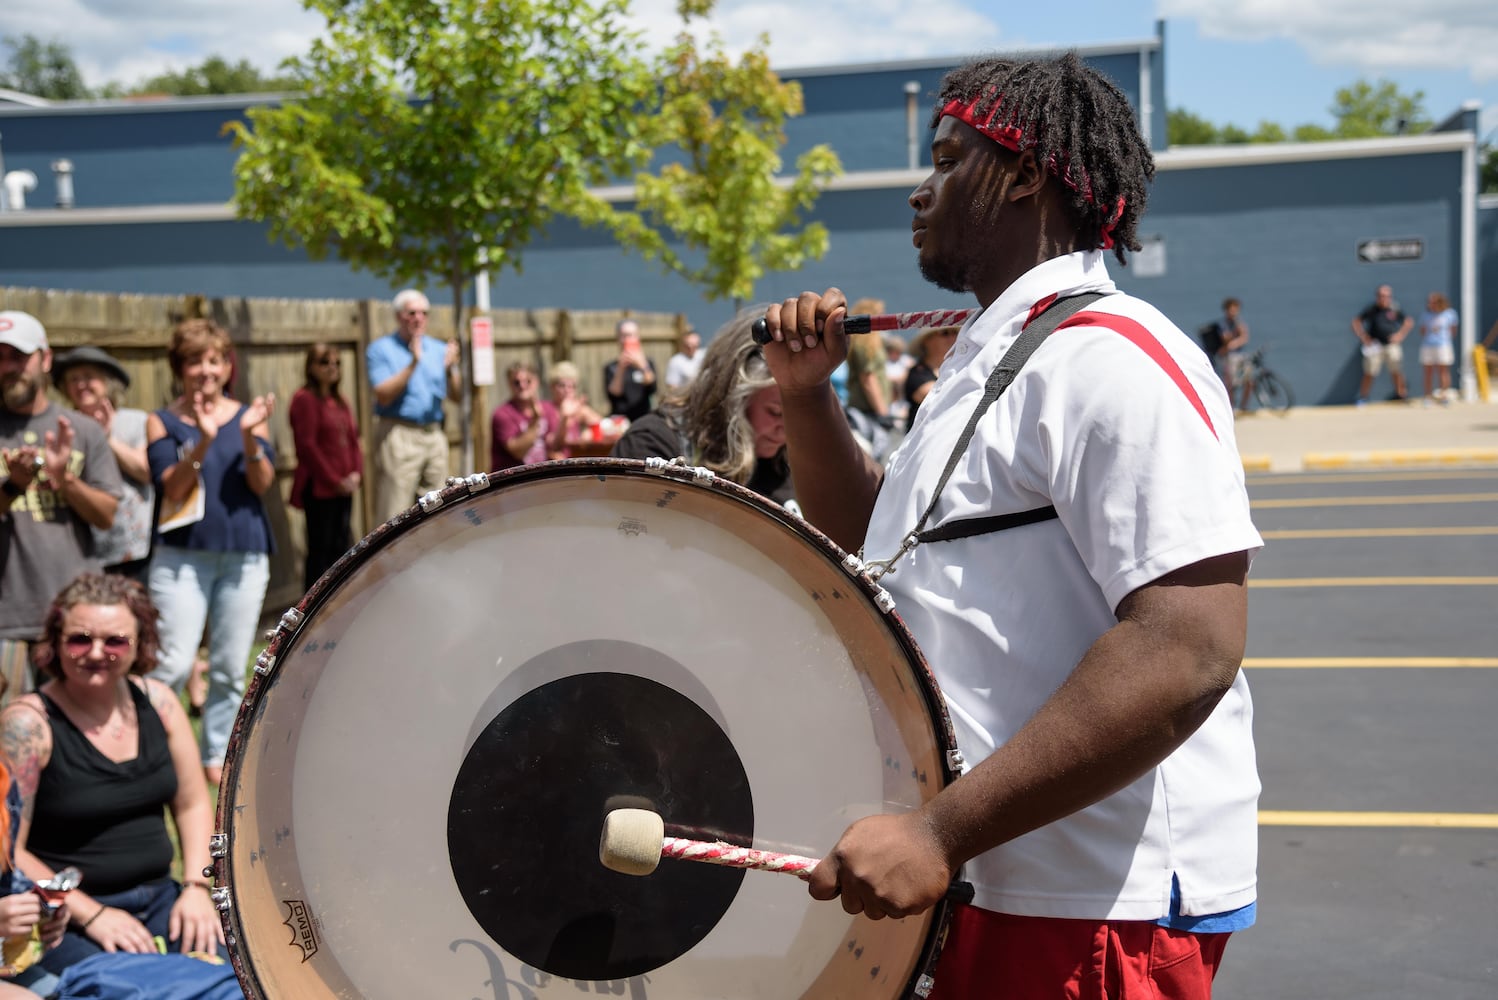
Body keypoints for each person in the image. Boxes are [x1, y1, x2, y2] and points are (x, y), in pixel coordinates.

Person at [759, 52, 1261, 999]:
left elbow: (1186, 648)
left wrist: (940, 831)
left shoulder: (1114, 361)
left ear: (1026, 172)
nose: (920, 190)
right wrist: (809, 400)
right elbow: (885, 553)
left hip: (1092, 907)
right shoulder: (996, 359)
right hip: (999, 875)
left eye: (948, 161)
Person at [0, 573, 223, 980]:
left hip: (163, 898)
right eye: (79, 639)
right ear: (55, 642)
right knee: (133, 989)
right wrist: (94, 914)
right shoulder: (28, 726)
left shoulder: (160, 703)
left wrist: (195, 888)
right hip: (65, 913)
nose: (96, 652)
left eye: (115, 641)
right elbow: (10, 849)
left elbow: (192, 805)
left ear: (139, 644)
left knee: (240, 974)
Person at [146, 319, 275, 787]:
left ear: (227, 366)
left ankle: (216, 755)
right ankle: (155, 752)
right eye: (195, 360)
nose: (206, 369)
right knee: (174, 663)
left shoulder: (249, 415)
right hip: (181, 558)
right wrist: (201, 439)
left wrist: (248, 437)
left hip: (244, 556)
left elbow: (261, 486)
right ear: (180, 368)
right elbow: (171, 487)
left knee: (227, 666)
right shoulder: (161, 421)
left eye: (215, 360)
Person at [1, 311, 123, 709]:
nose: (7, 368)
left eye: (18, 357)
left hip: (77, 617)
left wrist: (65, 480)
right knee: (9, 735)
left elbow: (106, 514)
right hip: (7, 620)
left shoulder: (82, 431)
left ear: (45, 359)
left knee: (78, 731)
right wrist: (15, 484)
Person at [612, 306, 792, 507]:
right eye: (775, 412)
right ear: (732, 399)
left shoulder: (794, 459)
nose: (788, 429)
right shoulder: (652, 444)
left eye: (798, 415)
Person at [51, 346, 155, 584]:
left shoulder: (135, 421)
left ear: (107, 382)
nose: (81, 385)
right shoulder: (62, 428)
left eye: (89, 377)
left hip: (134, 550)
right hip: (85, 550)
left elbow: (146, 471)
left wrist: (107, 439)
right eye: (73, 379)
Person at [367, 290, 461, 523]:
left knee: (438, 509)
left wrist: (450, 370)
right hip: (400, 434)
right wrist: (413, 363)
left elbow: (457, 397)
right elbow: (383, 396)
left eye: (423, 313)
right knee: (395, 512)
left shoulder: (439, 349)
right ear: (399, 316)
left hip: (434, 434)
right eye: (412, 313)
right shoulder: (381, 349)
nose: (418, 318)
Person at [289, 344, 364, 592]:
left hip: (345, 488)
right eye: (324, 362)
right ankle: (312, 612)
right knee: (321, 553)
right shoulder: (305, 400)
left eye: (336, 363)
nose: (332, 367)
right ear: (311, 367)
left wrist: (356, 474)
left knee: (342, 548)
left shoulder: (340, 400)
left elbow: (354, 440)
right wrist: (335, 480)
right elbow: (307, 447)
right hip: (320, 488)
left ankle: (340, 602)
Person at [843, 298, 897, 461]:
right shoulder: (866, 344)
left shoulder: (864, 342)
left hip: (867, 410)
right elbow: (868, 378)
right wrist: (883, 412)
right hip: (868, 412)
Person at [490, 361, 561, 472]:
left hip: (543, 477)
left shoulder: (548, 409)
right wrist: (536, 420)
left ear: (536, 382)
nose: (522, 386)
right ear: (509, 384)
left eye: (528, 381)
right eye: (517, 382)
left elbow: (555, 445)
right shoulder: (502, 414)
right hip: (513, 482)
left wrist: (566, 419)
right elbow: (518, 452)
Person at [1351, 285, 1412, 405]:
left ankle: (1401, 394)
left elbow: (1408, 322)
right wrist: (1363, 337)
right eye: (1381, 296)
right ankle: (1363, 397)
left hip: (1391, 345)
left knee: (1397, 370)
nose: (1384, 298)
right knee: (1370, 371)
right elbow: (1356, 322)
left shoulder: (1394, 309)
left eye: (1386, 296)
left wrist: (1400, 335)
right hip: (1375, 346)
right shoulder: (1372, 309)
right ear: (1377, 296)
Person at [901, 324, 960, 432]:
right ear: (926, 341)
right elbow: (935, 396)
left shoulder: (957, 370)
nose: (953, 338)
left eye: (955, 333)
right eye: (945, 333)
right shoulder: (917, 373)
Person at [546, 361, 604, 459]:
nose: (567, 390)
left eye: (572, 386)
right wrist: (565, 417)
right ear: (552, 387)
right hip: (554, 466)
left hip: (576, 463)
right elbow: (554, 445)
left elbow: (603, 425)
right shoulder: (546, 409)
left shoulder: (579, 409)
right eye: (562, 385)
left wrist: (589, 433)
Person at [603, 319, 657, 421]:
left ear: (638, 338)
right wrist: (621, 368)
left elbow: (652, 387)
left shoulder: (648, 364)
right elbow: (614, 394)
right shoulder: (611, 367)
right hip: (620, 421)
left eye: (631, 335)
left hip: (643, 418)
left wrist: (642, 366)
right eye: (624, 336)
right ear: (618, 339)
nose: (627, 339)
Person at [1416, 292, 1458, 406]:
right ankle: (1427, 397)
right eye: (1429, 302)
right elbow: (1422, 330)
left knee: (1443, 371)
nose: (1431, 304)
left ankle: (1444, 396)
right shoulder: (1425, 314)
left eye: (1433, 302)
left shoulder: (1450, 314)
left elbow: (1453, 330)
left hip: (1443, 346)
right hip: (1428, 345)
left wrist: (1443, 337)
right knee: (1428, 372)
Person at [1214, 298, 1252, 411]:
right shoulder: (1222, 324)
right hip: (1229, 357)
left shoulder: (1239, 323)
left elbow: (1245, 337)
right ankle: (1231, 408)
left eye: (1236, 310)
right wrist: (1235, 335)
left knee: (1249, 381)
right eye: (1231, 310)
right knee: (1231, 384)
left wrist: (1236, 339)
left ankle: (1243, 406)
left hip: (1241, 355)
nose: (1234, 312)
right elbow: (1225, 341)